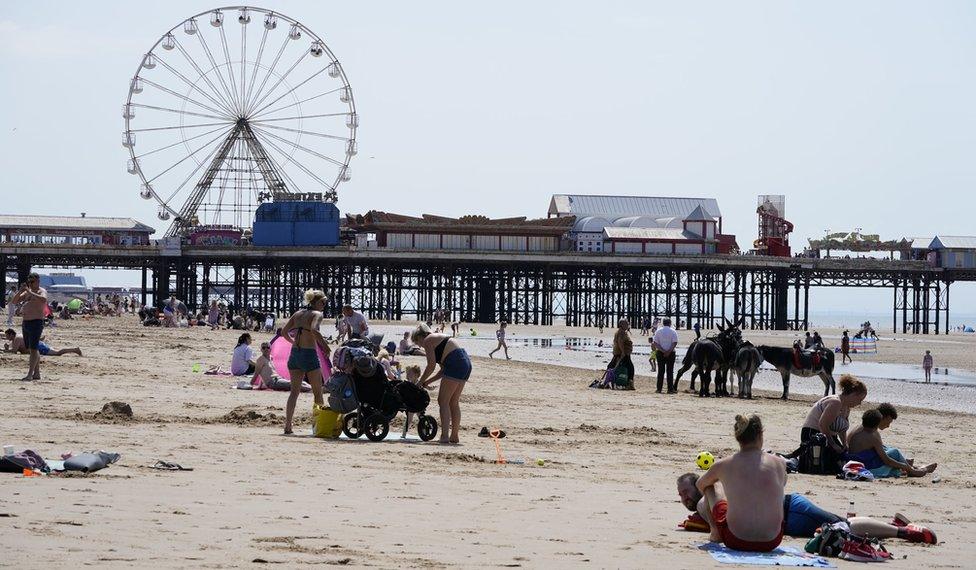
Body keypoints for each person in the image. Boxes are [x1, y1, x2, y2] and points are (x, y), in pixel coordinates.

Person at [677, 473, 938, 543]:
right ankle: (894, 525)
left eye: (685, 492)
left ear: (698, 486)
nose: (683, 499)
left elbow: (718, 528)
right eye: (680, 496)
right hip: (790, 515)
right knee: (842, 525)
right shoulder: (710, 499)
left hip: (792, 511)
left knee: (844, 527)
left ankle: (903, 531)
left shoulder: (705, 500)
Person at [695, 415, 786, 552]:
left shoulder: (723, 464)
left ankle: (715, 532)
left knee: (711, 486)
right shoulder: (779, 463)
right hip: (772, 541)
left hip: (736, 540)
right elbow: (782, 485)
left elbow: (700, 484)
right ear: (760, 434)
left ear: (738, 437)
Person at [280, 289, 331, 435]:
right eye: (323, 302)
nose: (324, 305)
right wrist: (325, 346)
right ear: (317, 302)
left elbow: (284, 332)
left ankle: (288, 426)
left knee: (294, 393)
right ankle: (317, 427)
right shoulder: (317, 314)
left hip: (295, 354)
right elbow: (314, 330)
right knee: (318, 393)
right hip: (309, 354)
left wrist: (293, 343)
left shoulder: (298, 314)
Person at [413, 323, 472, 444]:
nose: (419, 345)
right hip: (465, 363)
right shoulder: (438, 339)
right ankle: (454, 436)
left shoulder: (429, 340)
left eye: (417, 341)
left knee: (443, 401)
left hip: (455, 363)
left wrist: (420, 381)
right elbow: (443, 370)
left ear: (422, 336)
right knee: (453, 402)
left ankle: (445, 436)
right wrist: (427, 382)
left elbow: (431, 366)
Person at [846, 409, 937, 478]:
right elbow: (887, 460)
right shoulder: (872, 436)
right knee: (894, 452)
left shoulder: (859, 428)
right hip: (867, 468)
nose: (888, 426)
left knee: (890, 451)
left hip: (856, 463)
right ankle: (915, 470)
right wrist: (904, 465)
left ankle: (912, 467)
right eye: (888, 422)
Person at [799, 375, 867, 463]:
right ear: (853, 394)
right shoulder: (835, 402)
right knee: (837, 461)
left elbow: (842, 430)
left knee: (846, 458)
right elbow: (823, 425)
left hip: (828, 436)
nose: (860, 403)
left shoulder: (846, 407)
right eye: (860, 399)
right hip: (813, 435)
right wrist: (833, 444)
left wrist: (844, 444)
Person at [11, 273, 47, 381]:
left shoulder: (41, 291)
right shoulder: (27, 293)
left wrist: (29, 291)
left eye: (32, 282)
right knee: (31, 349)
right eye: (29, 282)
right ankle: (36, 373)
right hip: (26, 323)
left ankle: (30, 374)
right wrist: (20, 291)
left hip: (36, 322)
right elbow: (14, 301)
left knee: (34, 348)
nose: (30, 284)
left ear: (37, 281)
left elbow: (43, 300)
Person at [652, 317, 678, 393]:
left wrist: (663, 351)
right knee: (670, 371)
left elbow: (655, 343)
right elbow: (674, 342)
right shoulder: (673, 331)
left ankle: (659, 388)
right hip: (671, 353)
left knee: (661, 371)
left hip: (660, 353)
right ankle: (670, 389)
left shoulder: (658, 331)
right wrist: (668, 351)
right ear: (670, 323)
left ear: (663, 323)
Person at [608, 318, 634, 387]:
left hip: (620, 353)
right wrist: (623, 352)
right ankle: (629, 383)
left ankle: (609, 381)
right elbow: (620, 342)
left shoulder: (621, 331)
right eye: (627, 323)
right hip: (622, 353)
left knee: (611, 366)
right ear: (622, 325)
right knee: (630, 368)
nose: (628, 324)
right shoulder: (621, 332)